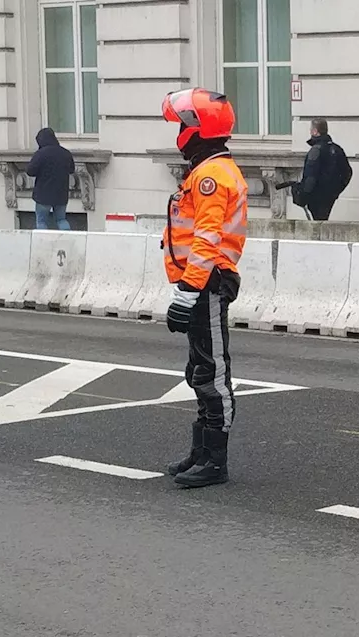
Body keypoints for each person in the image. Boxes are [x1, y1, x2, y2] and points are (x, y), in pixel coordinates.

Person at [159, 87, 248, 489]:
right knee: (199, 369)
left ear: (197, 128)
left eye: (181, 122)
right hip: (201, 282)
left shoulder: (211, 176)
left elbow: (207, 238)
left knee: (212, 372)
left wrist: (188, 291)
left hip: (207, 282)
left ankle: (215, 460)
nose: (177, 130)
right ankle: (201, 451)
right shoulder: (206, 169)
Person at [294, 118, 352, 221]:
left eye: (311, 129)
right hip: (330, 196)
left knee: (317, 224)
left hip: (316, 197)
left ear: (315, 131)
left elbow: (310, 177)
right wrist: (336, 191)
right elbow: (347, 173)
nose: (310, 132)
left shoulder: (315, 151)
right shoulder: (337, 149)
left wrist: (302, 196)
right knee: (323, 220)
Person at [26, 127, 76, 230]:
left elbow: (30, 171)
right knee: (61, 220)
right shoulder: (65, 153)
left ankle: (43, 243)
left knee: (41, 221)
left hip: (43, 194)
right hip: (61, 193)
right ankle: (68, 239)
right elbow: (72, 170)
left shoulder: (40, 154)